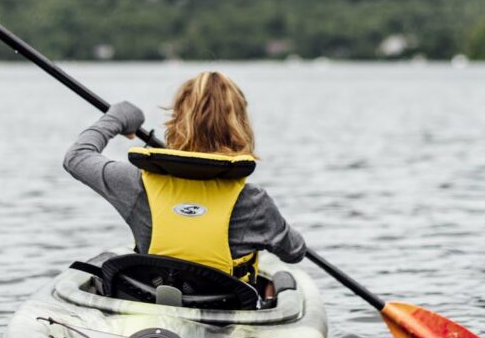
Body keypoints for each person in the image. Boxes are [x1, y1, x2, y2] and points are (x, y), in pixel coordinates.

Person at [63, 71, 306, 286]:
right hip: (226, 313)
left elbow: (76, 158)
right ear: (240, 125)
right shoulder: (254, 202)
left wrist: (116, 118)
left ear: (177, 119)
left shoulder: (136, 184)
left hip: (153, 301)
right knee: (279, 283)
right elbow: (294, 252)